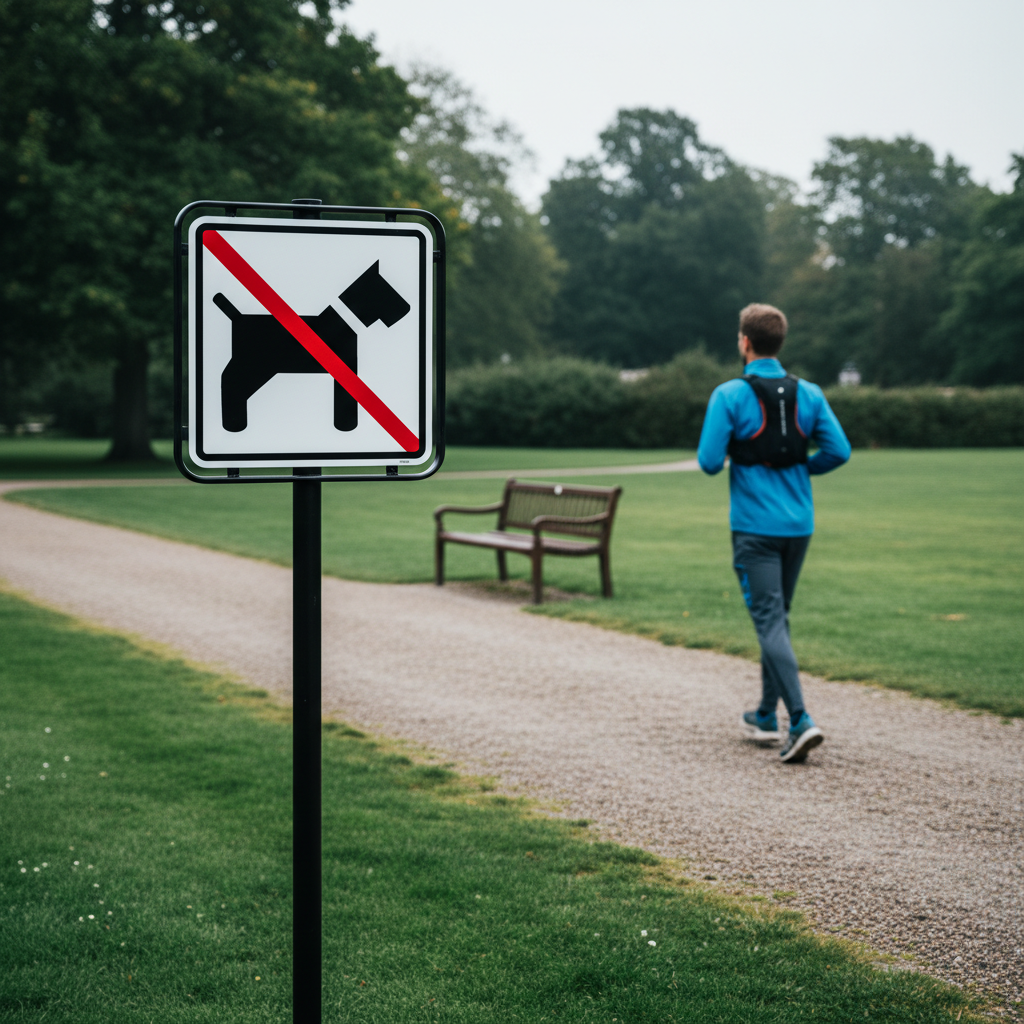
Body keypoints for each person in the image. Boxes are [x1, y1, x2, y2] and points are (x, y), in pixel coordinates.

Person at [697, 303, 851, 763]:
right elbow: (839, 451)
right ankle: (765, 714)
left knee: (768, 621)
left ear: (745, 342)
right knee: (777, 618)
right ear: (779, 342)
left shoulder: (729, 395)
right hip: (798, 525)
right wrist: (801, 467)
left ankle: (800, 719)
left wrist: (744, 454)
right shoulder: (811, 394)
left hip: (754, 528)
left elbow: (707, 462)